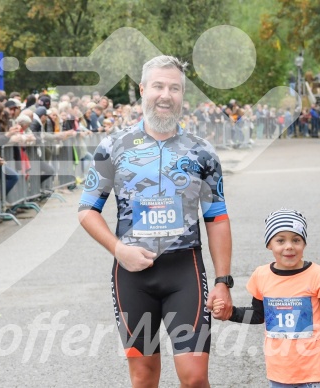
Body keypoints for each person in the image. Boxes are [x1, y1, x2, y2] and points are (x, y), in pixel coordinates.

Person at [78, 55, 233, 388]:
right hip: (132, 276)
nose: (166, 95)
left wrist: (223, 280)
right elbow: (87, 211)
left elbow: (217, 218)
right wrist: (119, 249)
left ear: (183, 94)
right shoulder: (112, 146)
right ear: (142, 90)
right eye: (159, 86)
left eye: (174, 88)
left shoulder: (201, 151)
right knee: (143, 377)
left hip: (184, 273)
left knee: (194, 378)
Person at [213, 209, 320, 388]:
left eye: (296, 240)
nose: (289, 246)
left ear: (304, 244)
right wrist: (230, 313)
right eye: (280, 240)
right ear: (269, 244)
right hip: (278, 371)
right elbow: (259, 315)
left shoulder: (317, 275)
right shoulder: (261, 275)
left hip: (311, 371)